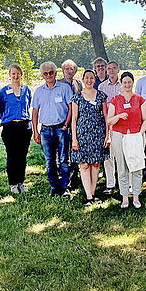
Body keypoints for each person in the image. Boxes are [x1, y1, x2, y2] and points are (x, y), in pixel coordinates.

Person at [107, 72, 146, 209]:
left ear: (132, 83)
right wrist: (118, 116)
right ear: (121, 83)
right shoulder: (115, 100)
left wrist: (140, 134)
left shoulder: (139, 99)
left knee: (137, 166)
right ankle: (125, 197)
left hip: (136, 135)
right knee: (122, 166)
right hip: (120, 135)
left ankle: (136, 196)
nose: (127, 85)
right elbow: (109, 120)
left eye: (129, 82)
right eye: (124, 82)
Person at [32, 61, 73, 197]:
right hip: (45, 130)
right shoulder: (39, 91)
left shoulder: (64, 88)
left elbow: (71, 107)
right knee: (49, 161)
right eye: (46, 73)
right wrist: (35, 131)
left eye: (51, 72)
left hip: (61, 128)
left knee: (64, 160)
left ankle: (65, 187)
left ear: (55, 73)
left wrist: (66, 125)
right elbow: (35, 112)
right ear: (42, 75)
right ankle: (54, 187)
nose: (49, 75)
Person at [71, 69, 109, 205]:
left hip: (98, 134)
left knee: (96, 164)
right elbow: (74, 119)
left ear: (95, 79)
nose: (89, 80)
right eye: (86, 78)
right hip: (82, 135)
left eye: (91, 78)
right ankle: (88, 196)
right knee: (84, 165)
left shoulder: (101, 96)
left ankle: (93, 194)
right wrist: (74, 139)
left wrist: (107, 135)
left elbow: (106, 117)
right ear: (83, 79)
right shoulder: (77, 97)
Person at [0, 64, 33, 195]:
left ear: (21, 74)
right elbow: (0, 109)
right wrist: (8, 119)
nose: (16, 76)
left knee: (22, 156)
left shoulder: (26, 89)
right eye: (13, 73)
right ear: (9, 75)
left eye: (18, 73)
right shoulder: (3, 91)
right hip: (10, 127)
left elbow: (29, 105)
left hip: (24, 126)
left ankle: (21, 183)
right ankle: (13, 184)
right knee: (12, 156)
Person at [98, 61, 123, 195]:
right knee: (109, 155)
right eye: (109, 69)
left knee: (122, 154)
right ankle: (110, 183)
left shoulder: (123, 84)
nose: (111, 71)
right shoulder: (102, 86)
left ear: (118, 70)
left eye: (114, 68)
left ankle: (123, 182)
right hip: (107, 123)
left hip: (122, 123)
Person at [59, 59, 82, 189]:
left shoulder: (78, 83)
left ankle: (75, 176)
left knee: (75, 147)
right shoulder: (59, 84)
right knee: (62, 150)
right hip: (63, 120)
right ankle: (63, 177)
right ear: (63, 71)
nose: (69, 71)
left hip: (76, 120)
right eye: (67, 69)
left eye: (72, 69)